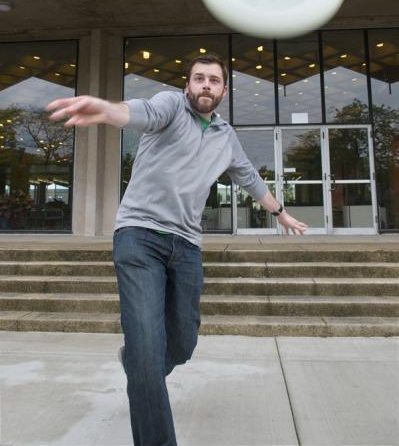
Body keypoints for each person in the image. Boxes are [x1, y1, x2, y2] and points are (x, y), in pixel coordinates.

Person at [46, 54, 308, 446]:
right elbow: (140, 113)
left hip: (186, 245)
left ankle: (138, 365)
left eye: (213, 80)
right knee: (148, 354)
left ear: (223, 90)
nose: (205, 85)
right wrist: (105, 110)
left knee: (182, 343)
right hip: (140, 236)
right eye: (198, 78)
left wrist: (281, 213)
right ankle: (146, 376)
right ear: (188, 85)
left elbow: (249, 177)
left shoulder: (225, 135)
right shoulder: (170, 106)